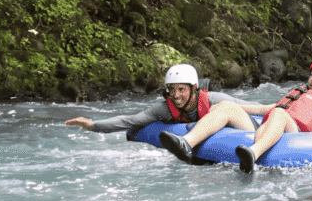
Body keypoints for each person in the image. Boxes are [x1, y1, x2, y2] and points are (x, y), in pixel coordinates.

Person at [160, 56, 312, 173]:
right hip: (271, 125)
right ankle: (185, 143)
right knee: (227, 106)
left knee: (279, 113)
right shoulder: (299, 93)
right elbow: (262, 109)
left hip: (297, 135)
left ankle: (253, 153)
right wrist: (226, 107)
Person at [64, 63, 255, 160]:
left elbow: (255, 108)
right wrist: (92, 126)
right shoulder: (164, 109)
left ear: (194, 89)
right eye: (172, 90)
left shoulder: (215, 99)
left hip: (248, 129)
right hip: (221, 138)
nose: (176, 95)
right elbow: (130, 121)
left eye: (181, 90)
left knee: (226, 109)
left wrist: (281, 107)